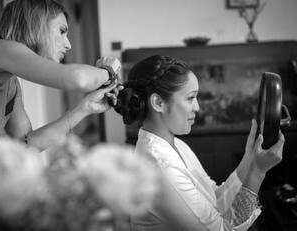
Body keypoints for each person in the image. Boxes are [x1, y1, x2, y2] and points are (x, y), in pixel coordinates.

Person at [0, 0, 122, 180]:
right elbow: (78, 79)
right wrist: (108, 70)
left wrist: (84, 108)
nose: (68, 44)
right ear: (37, 25)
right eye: (62, 31)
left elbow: (26, 145)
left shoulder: (9, 82)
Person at [114, 55, 285, 231]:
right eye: (190, 98)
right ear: (158, 103)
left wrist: (250, 157)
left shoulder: (176, 145)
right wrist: (257, 171)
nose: (197, 107)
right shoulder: (162, 169)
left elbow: (215, 199)